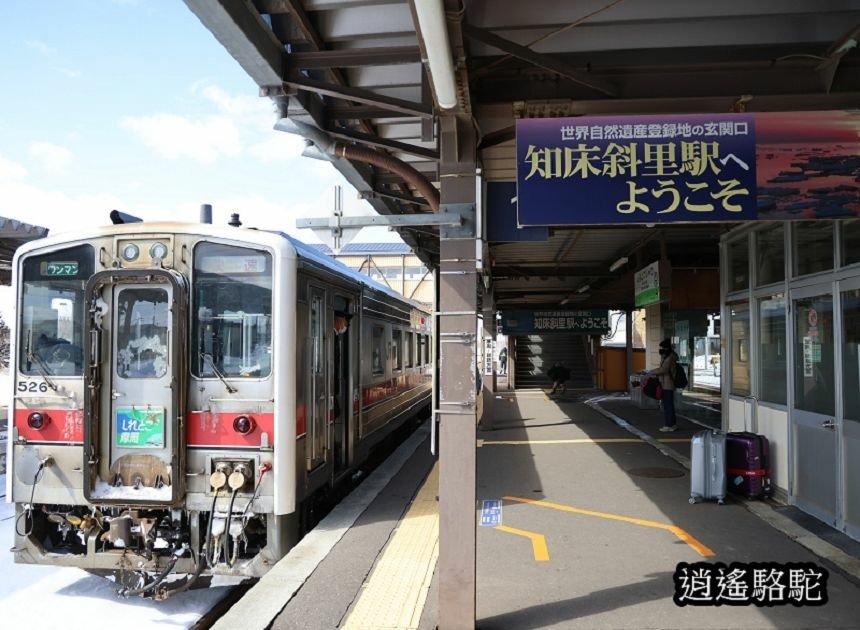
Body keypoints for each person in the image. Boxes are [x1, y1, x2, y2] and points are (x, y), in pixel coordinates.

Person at [650, 338, 679, 431]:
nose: (660, 349)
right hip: (666, 383)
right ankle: (672, 424)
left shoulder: (669, 358)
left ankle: (668, 425)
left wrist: (652, 372)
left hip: (668, 384)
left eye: (662, 347)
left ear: (667, 348)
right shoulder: (667, 356)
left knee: (667, 405)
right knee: (669, 404)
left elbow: (663, 369)